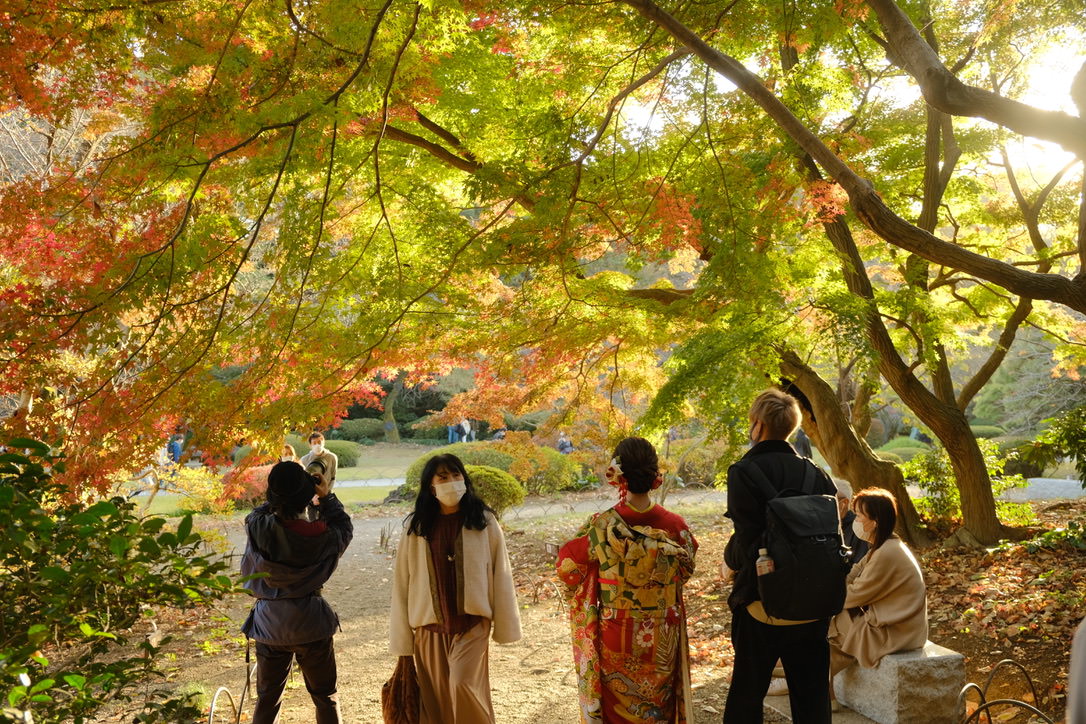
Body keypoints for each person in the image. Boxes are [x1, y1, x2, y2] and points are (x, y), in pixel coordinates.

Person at [557, 437, 698, 723]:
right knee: (658, 706)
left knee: (618, 707)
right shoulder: (675, 526)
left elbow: (568, 568)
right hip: (662, 631)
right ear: (654, 474)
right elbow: (685, 571)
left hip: (616, 628)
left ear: (618, 476)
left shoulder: (602, 525)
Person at [722, 388, 838, 724]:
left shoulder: (743, 472)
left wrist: (729, 559)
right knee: (812, 700)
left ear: (758, 425)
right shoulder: (816, 473)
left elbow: (746, 542)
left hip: (762, 603)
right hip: (813, 604)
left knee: (746, 697)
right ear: (792, 427)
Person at [389, 453, 521, 723]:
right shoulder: (416, 527)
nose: (451, 481)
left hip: (472, 624)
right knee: (437, 701)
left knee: (463, 685)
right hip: (429, 628)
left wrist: (505, 622)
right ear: (431, 486)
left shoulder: (483, 521)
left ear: (465, 479)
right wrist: (402, 639)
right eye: (443, 477)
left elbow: (501, 573)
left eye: (456, 474)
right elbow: (402, 582)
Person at [241, 461, 353, 723]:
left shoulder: (258, 527)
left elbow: (258, 512)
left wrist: (282, 494)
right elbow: (344, 527)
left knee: (268, 698)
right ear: (306, 496)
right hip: (311, 623)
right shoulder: (322, 534)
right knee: (325, 696)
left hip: (269, 624)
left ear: (273, 496)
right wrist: (325, 496)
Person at [828, 488, 927, 686]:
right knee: (834, 624)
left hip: (897, 633)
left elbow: (852, 595)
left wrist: (826, 593)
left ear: (875, 522)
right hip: (897, 627)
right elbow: (852, 574)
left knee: (833, 622)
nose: (855, 521)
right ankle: (820, 681)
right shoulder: (882, 546)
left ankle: (801, 678)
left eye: (859, 516)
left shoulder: (886, 553)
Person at [835, 480, 870, 568]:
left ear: (844, 503)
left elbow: (859, 567)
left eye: (828, 500)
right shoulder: (827, 527)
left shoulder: (860, 528)